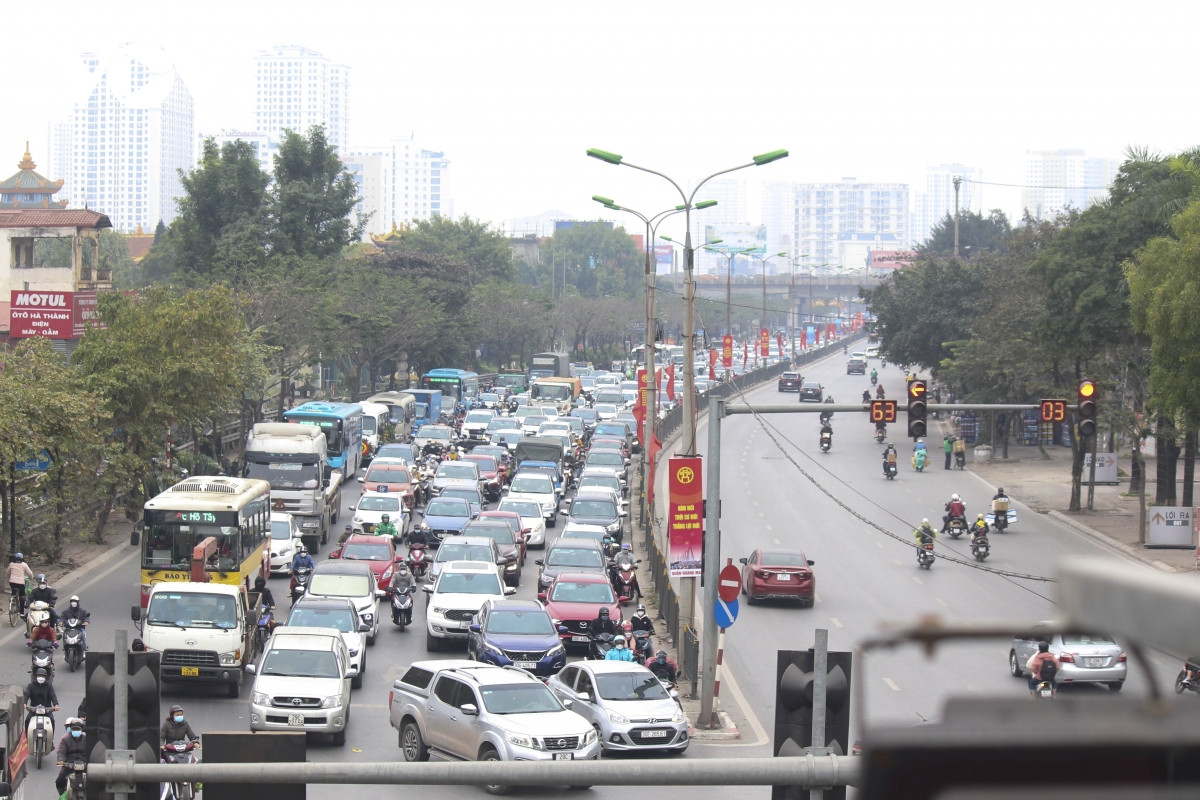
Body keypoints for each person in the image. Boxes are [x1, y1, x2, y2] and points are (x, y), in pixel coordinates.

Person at [55, 717, 87, 797]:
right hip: (70, 765)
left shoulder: (87, 738)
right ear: (71, 729)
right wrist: (61, 760)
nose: (76, 731)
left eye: (78, 729)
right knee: (59, 781)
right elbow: (61, 751)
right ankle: (63, 795)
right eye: (74, 729)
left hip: (85, 765)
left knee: (96, 781)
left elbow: (92, 751)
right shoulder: (65, 739)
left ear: (81, 729)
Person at [7, 552, 33, 617]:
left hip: (12, 582)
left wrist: (10, 577)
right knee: (22, 597)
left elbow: (8, 572)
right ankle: (21, 612)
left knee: (14, 592)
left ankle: (13, 602)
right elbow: (29, 573)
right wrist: (31, 578)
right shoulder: (24, 565)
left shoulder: (11, 564)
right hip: (20, 583)